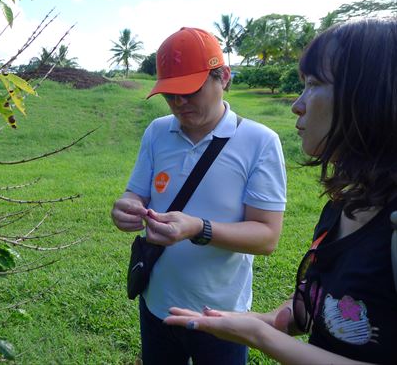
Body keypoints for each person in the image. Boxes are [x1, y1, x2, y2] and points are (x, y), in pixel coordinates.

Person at [164, 18, 397, 364]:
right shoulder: (344, 204)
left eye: (315, 83)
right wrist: (257, 321)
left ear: (369, 94)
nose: (297, 105)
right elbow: (311, 313)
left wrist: (260, 336)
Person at [111, 27, 287, 364]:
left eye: (190, 90)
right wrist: (127, 207)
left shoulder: (259, 142)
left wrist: (197, 228)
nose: (179, 103)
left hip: (221, 315)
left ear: (223, 77)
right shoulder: (157, 131)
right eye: (170, 94)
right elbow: (136, 193)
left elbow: (266, 236)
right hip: (157, 302)